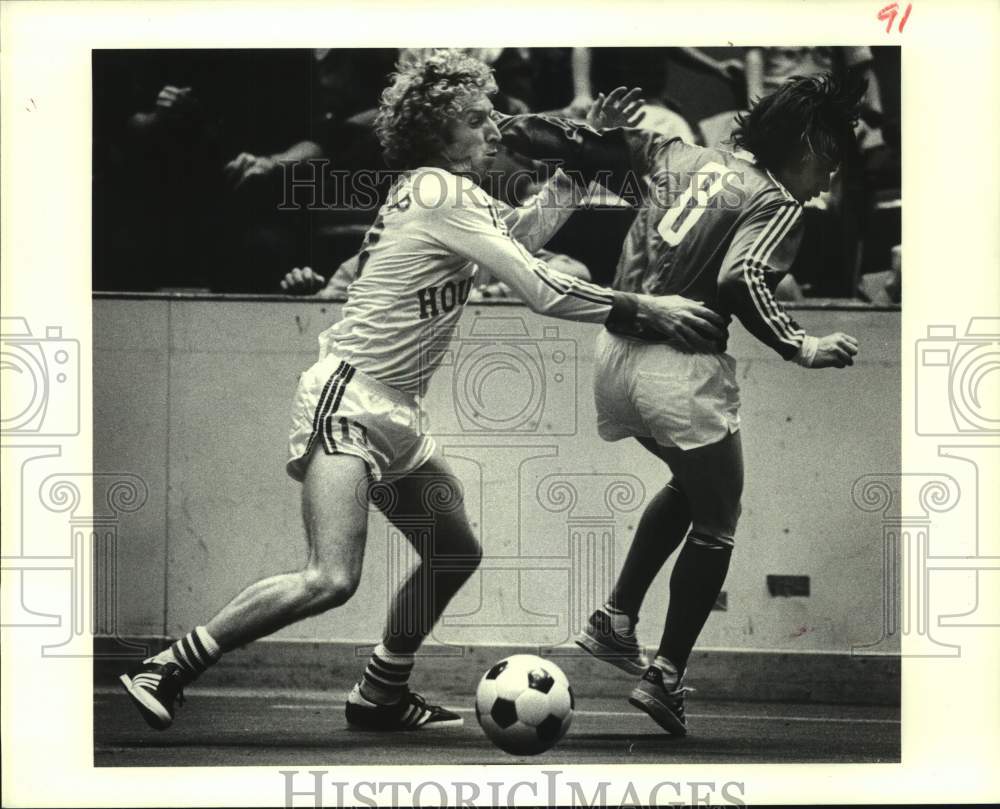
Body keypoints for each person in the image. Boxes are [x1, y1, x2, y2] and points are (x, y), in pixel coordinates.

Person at [118, 49, 727, 733]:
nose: (492, 127)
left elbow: (519, 244)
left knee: (453, 550)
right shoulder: (441, 191)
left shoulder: (447, 195)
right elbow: (541, 286)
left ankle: (381, 690)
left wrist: (577, 168)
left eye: (491, 113)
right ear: (437, 133)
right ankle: (169, 663)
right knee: (330, 577)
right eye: (474, 118)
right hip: (348, 399)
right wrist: (647, 309)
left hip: (395, 412)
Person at [499, 73, 863, 735]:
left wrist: (577, 127)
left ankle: (614, 620)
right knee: (720, 515)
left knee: (694, 490)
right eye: (829, 159)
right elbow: (740, 276)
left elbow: (564, 148)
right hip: (683, 368)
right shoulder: (777, 201)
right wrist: (801, 345)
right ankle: (664, 673)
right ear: (805, 142)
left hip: (614, 358)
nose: (827, 179)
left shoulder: (677, 152)